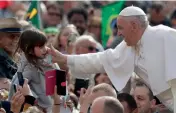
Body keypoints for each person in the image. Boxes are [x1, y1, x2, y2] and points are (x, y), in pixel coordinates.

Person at [48, 6, 176, 112]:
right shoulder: (130, 46)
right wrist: (66, 59)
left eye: (121, 28)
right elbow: (102, 59)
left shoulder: (165, 35)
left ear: (134, 25)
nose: (118, 33)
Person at [9, 29, 53, 113]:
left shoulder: (40, 61)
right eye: (41, 47)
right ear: (29, 49)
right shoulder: (29, 67)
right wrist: (33, 99)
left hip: (50, 104)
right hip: (40, 108)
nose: (45, 49)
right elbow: (19, 85)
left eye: (45, 45)